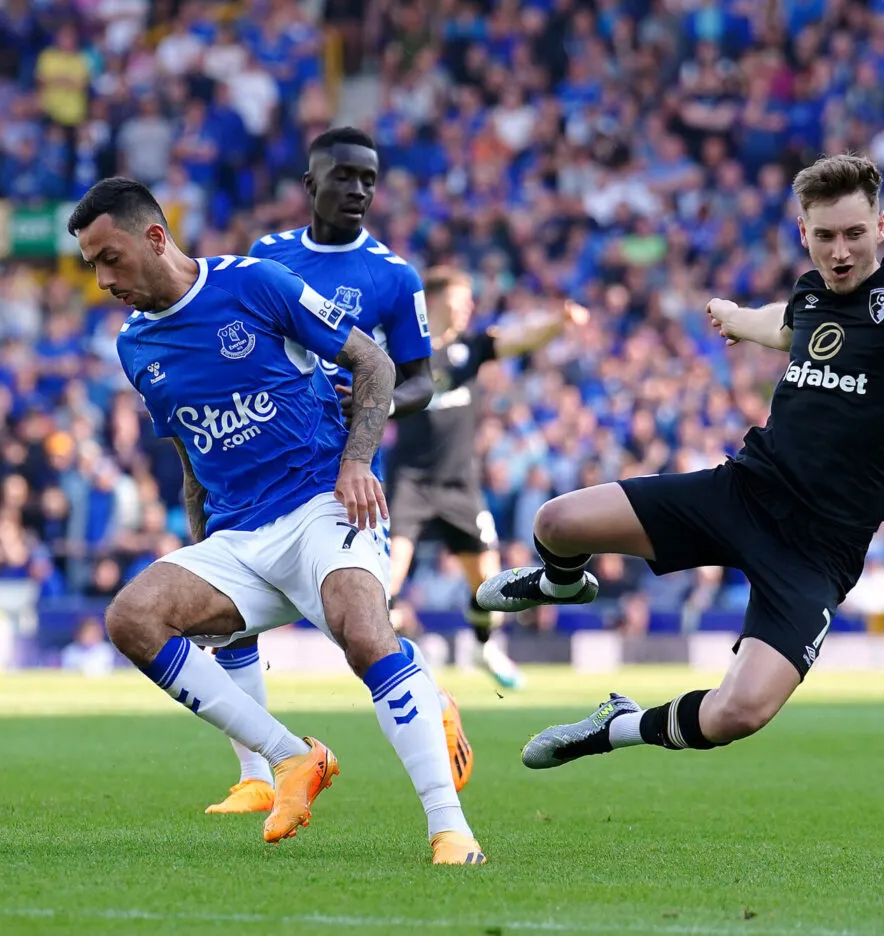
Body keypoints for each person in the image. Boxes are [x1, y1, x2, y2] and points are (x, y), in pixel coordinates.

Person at [476, 154, 884, 767]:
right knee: (554, 523)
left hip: (820, 546)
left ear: (880, 226)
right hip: (744, 492)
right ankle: (562, 584)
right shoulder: (810, 292)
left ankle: (616, 727)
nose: (840, 251)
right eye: (824, 236)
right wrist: (739, 320)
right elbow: (789, 325)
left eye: (854, 233)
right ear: (804, 234)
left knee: (738, 712)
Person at [68, 177, 485, 864]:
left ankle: (450, 829)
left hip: (324, 500)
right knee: (132, 617)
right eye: (90, 264)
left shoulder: (255, 284)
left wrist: (357, 463)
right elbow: (189, 453)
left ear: (154, 237)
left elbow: (374, 364)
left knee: (363, 633)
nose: (101, 278)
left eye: (108, 257)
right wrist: (199, 551)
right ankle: (294, 759)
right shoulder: (135, 347)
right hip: (239, 537)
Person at [205, 126, 472, 815]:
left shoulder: (393, 276)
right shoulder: (268, 257)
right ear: (310, 184)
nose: (358, 191)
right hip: (259, 461)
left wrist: (368, 400)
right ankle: (258, 775)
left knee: (356, 627)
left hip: (338, 472)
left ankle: (431, 704)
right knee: (231, 622)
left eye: (369, 180)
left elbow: (419, 381)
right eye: (345, 176)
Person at [390, 266, 589, 689]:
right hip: (409, 480)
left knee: (488, 583)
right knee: (389, 576)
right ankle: (387, 652)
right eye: (461, 300)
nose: (469, 308)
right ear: (436, 301)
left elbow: (518, 339)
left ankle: (483, 646)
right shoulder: (404, 351)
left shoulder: (472, 348)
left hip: (460, 482)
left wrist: (557, 321)